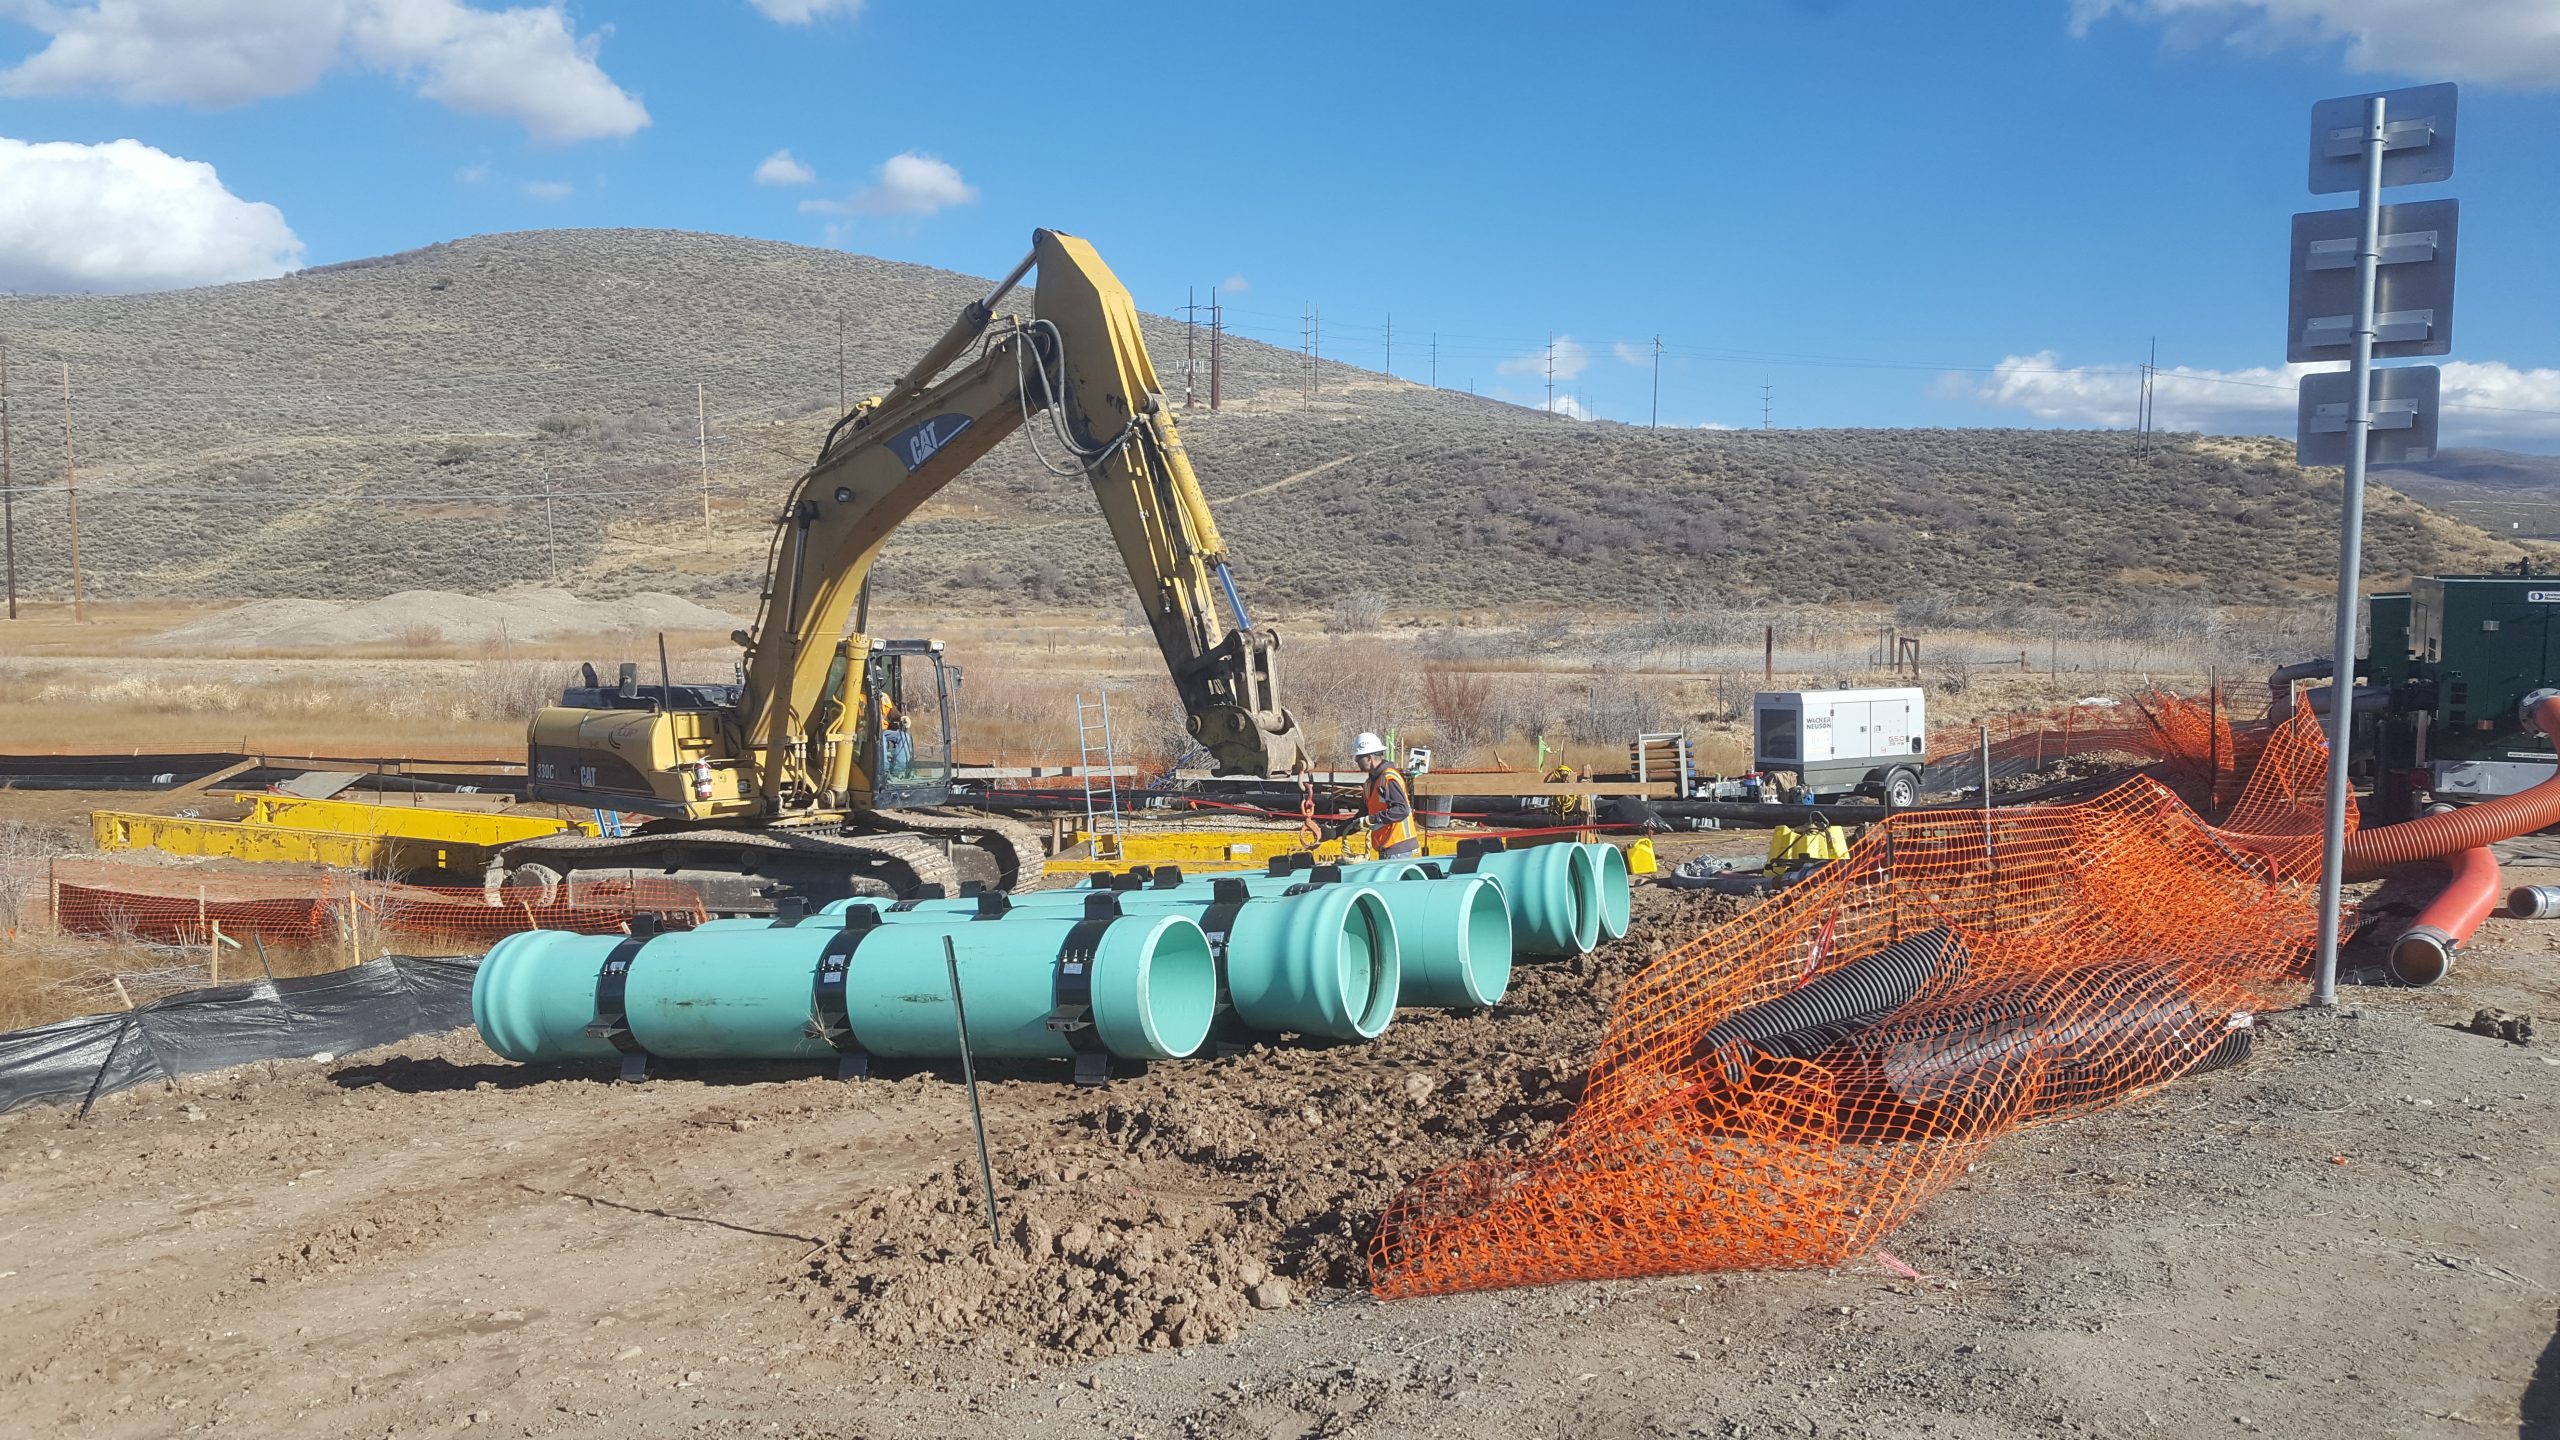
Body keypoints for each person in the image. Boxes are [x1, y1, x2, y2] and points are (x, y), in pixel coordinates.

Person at [1348, 731, 1420, 859]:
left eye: (1358, 758)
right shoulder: (1369, 784)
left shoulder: (1388, 778)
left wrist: (1373, 819)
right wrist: (1336, 831)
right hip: (1387, 847)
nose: (1356, 761)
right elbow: (1362, 817)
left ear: (1369, 758)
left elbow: (1401, 810)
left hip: (1398, 847)